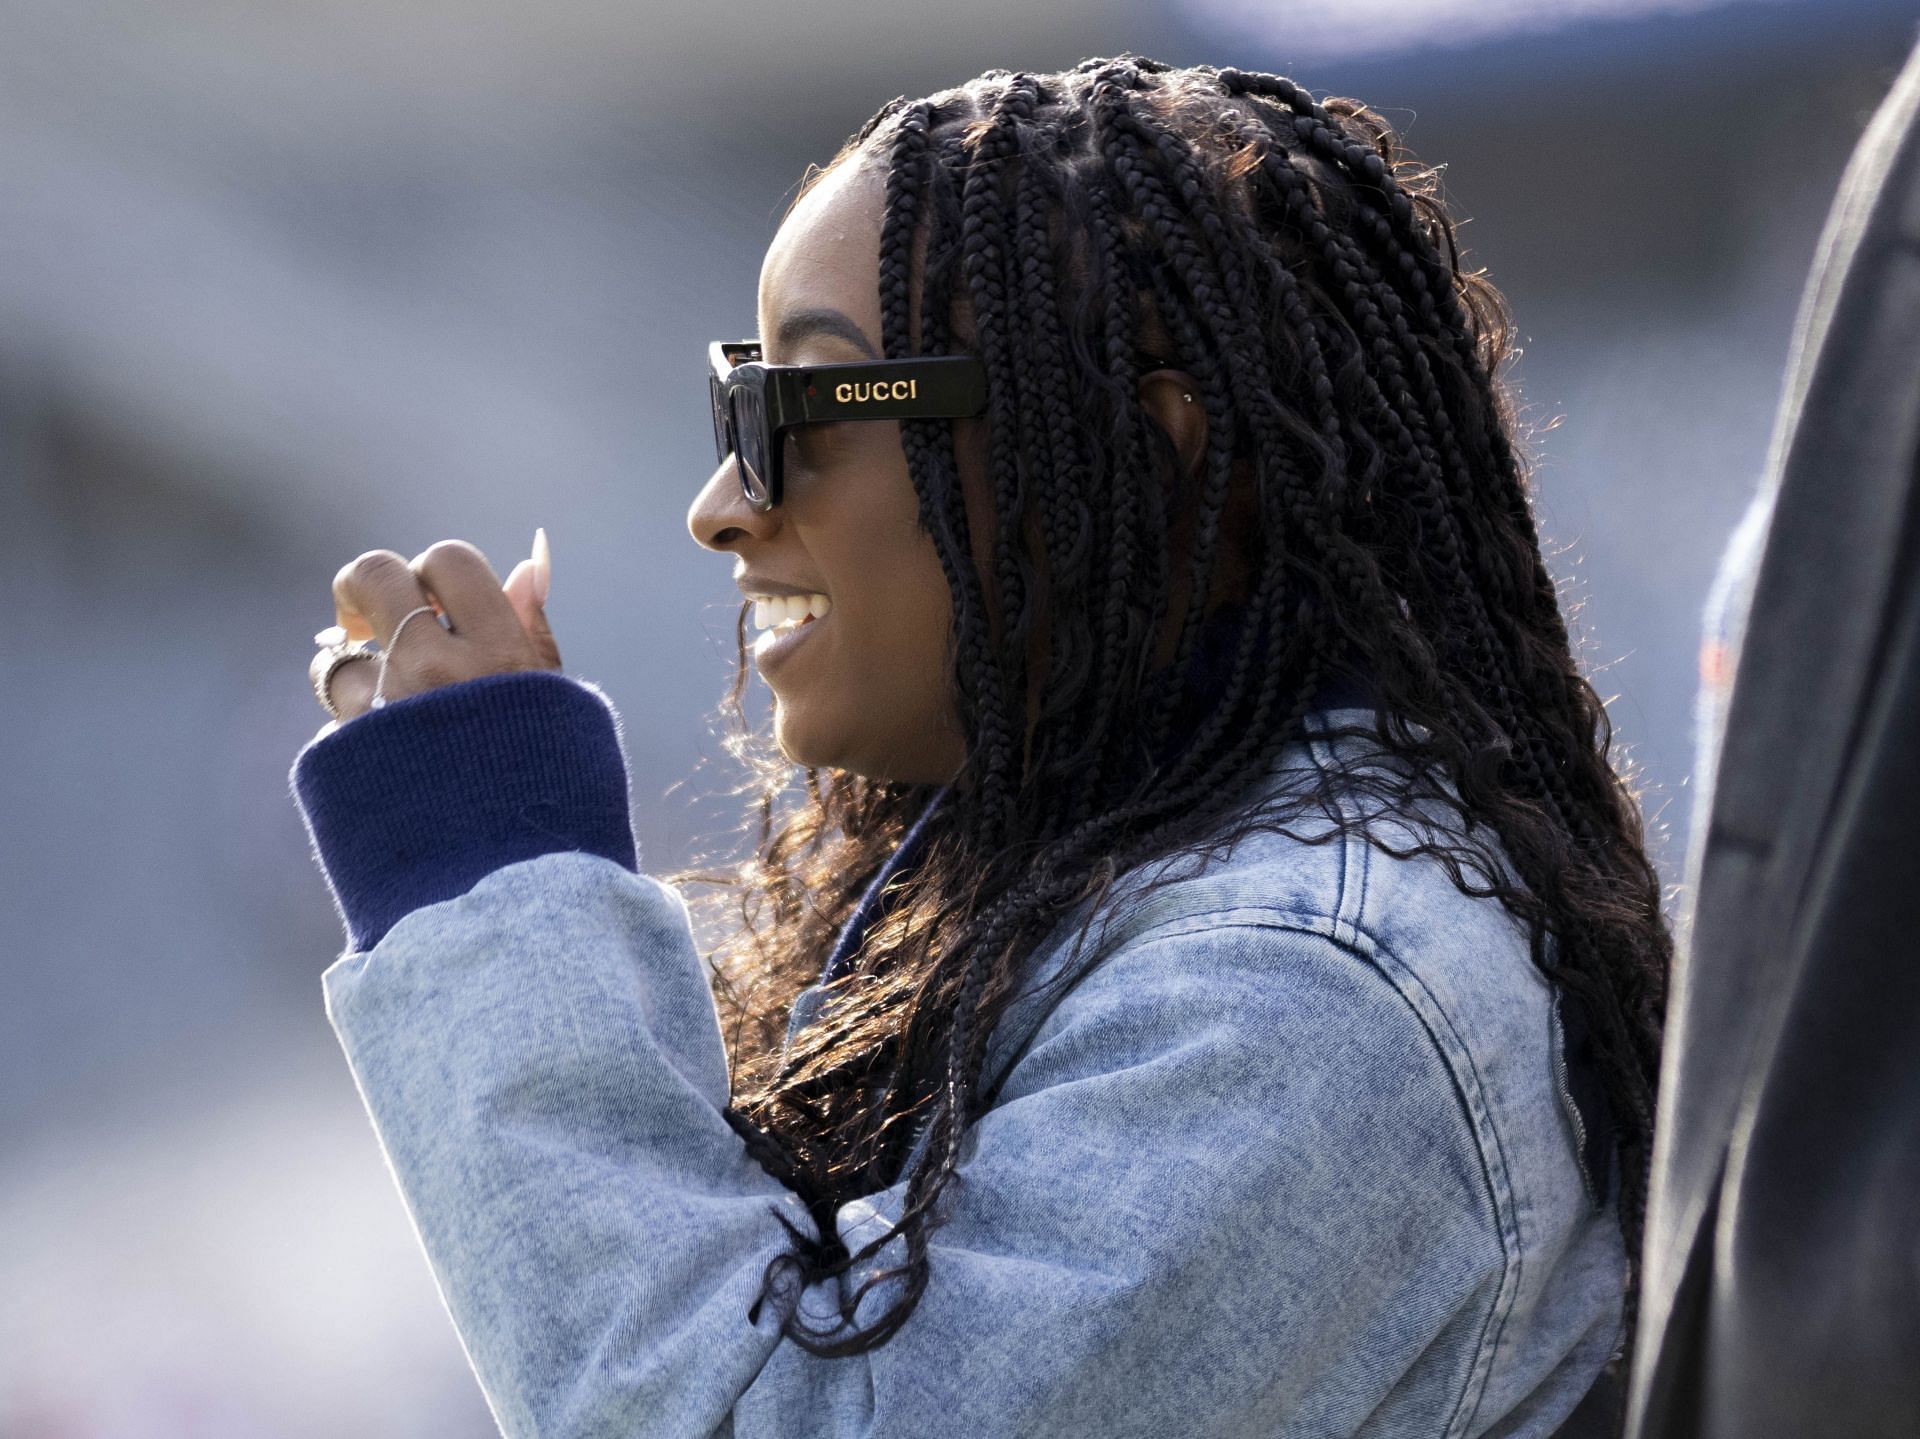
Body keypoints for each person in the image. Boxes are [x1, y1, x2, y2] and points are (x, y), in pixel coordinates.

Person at [291, 56, 1668, 1437]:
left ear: (1161, 447)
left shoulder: (1307, 991)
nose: (724, 504)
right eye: (736, 404)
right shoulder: (1077, 864)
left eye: (806, 412)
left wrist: (495, 883)